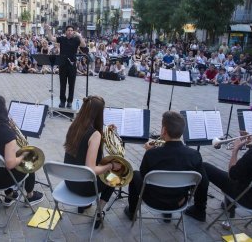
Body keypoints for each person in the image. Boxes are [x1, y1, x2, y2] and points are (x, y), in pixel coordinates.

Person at [124, 111, 206, 222]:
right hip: (179, 201)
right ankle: (168, 215)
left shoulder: (152, 154)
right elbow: (204, 183)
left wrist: (151, 152)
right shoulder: (195, 155)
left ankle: (132, 212)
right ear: (182, 132)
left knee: (134, 175)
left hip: (153, 200)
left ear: (164, 130)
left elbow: (144, 177)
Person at [0, 94, 44, 206]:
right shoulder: (7, 133)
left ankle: (10, 195)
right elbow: (10, 164)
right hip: (3, 180)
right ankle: (30, 196)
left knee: (2, 159)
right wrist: (23, 155)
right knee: (29, 159)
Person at [63, 95, 119, 229]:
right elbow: (91, 169)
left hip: (70, 181)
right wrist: (110, 165)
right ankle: (100, 212)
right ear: (99, 113)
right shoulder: (95, 135)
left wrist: (104, 131)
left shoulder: (74, 125)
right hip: (85, 187)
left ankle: (83, 206)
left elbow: (85, 142)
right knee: (114, 177)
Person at [186, 139, 252, 222]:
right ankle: (229, 205)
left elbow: (232, 175)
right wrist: (251, 147)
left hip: (247, 199)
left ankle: (199, 210)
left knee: (205, 167)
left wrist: (235, 150)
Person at [45, 24, 86, 108]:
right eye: (68, 30)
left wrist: (79, 35)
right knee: (62, 84)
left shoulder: (76, 39)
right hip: (63, 64)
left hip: (72, 64)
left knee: (71, 84)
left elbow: (83, 45)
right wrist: (48, 30)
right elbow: (51, 39)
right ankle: (62, 101)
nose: (70, 32)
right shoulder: (62, 39)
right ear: (66, 32)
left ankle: (70, 101)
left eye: (71, 30)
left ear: (73, 32)